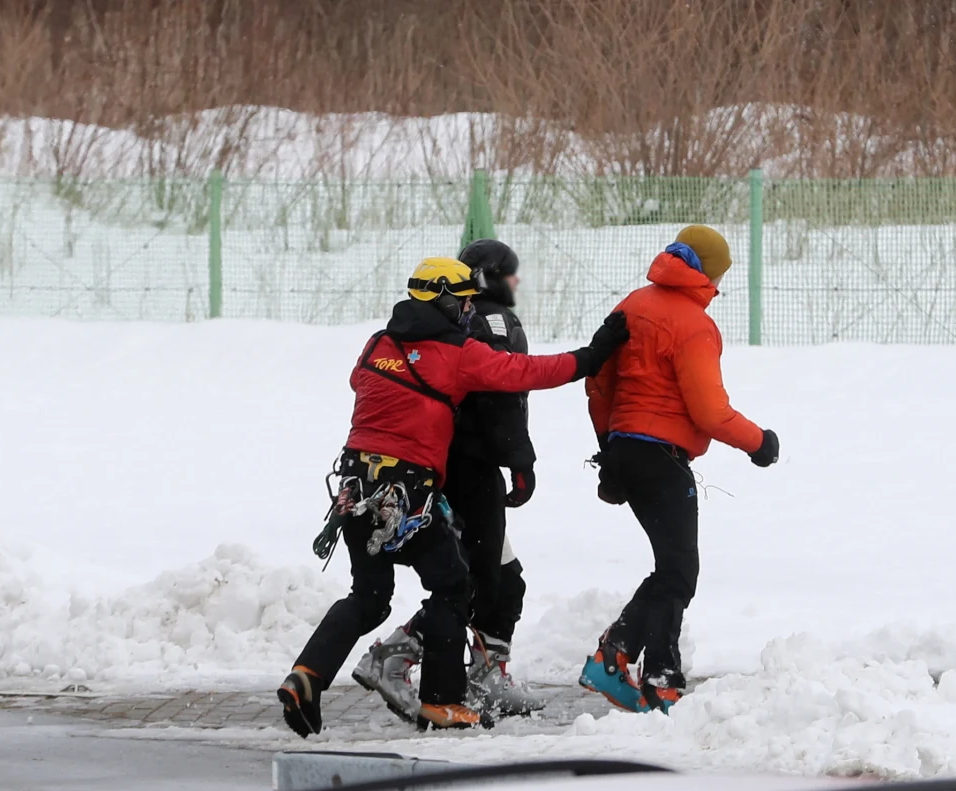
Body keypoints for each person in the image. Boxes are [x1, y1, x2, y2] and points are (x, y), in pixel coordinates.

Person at [277, 256, 629, 736]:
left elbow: (361, 381)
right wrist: (597, 352)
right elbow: (531, 371)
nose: (468, 309)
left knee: (369, 595)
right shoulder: (458, 353)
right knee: (453, 586)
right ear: (444, 300)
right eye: (462, 301)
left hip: (354, 486)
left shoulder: (376, 343)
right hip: (408, 493)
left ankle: (308, 674)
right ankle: (441, 702)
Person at [577, 225, 779, 715]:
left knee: (672, 567)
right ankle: (616, 654)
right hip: (662, 455)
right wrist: (760, 443)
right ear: (707, 272)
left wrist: (610, 446)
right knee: (679, 570)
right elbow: (710, 411)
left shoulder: (631, 304)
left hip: (625, 446)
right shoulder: (693, 325)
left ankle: (661, 678)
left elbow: (599, 385)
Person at [352, 240, 545, 722]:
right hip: (467, 467)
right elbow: (504, 400)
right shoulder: (490, 324)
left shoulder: (437, 326)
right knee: (483, 578)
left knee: (495, 575)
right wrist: (519, 460)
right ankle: (409, 658)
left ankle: (481, 667)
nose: (516, 282)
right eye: (510, 273)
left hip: (433, 465)